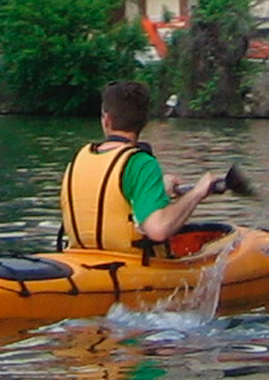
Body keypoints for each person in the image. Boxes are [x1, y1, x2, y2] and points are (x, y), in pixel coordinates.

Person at [59, 78, 231, 255]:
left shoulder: (79, 159)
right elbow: (158, 230)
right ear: (144, 122)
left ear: (106, 119)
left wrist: (160, 193)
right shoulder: (141, 163)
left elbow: (113, 203)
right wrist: (197, 193)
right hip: (128, 268)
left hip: (79, 259)